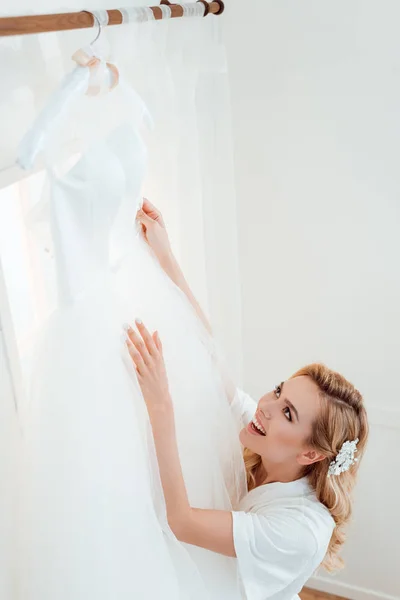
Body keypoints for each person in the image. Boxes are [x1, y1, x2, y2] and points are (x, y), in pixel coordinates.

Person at [125, 199, 369, 600]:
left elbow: (182, 522)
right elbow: (212, 360)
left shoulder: (301, 530)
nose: (266, 406)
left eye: (287, 413)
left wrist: (160, 405)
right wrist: (166, 257)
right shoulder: (265, 439)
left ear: (310, 454)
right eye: (278, 391)